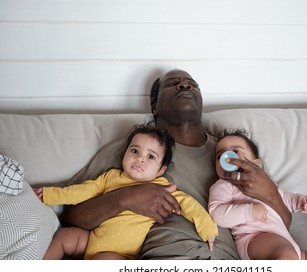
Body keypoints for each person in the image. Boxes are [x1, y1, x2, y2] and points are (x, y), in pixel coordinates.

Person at [60, 69, 292, 259]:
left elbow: (282, 226)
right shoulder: (133, 151)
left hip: (226, 262)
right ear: (154, 107)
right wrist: (125, 198)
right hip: (165, 259)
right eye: (173, 84)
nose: (185, 86)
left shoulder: (234, 151)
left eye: (192, 84)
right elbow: (70, 216)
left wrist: (271, 194)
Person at [34, 123, 218, 260]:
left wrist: (208, 230)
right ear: (124, 155)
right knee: (65, 236)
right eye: (135, 151)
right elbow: (80, 192)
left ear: (161, 170)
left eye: (151, 156)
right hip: (92, 240)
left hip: (121, 254)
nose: (140, 159)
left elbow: (189, 205)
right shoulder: (111, 177)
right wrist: (49, 195)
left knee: (102, 261)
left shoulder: (162, 188)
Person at [208, 128, 307, 260]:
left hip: (285, 240)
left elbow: (283, 198)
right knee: (286, 254)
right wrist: (249, 211)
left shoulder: (266, 182)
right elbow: (216, 214)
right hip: (254, 238)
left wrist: (301, 201)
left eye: (235, 151)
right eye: (219, 156)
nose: (227, 158)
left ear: (255, 164)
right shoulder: (224, 185)